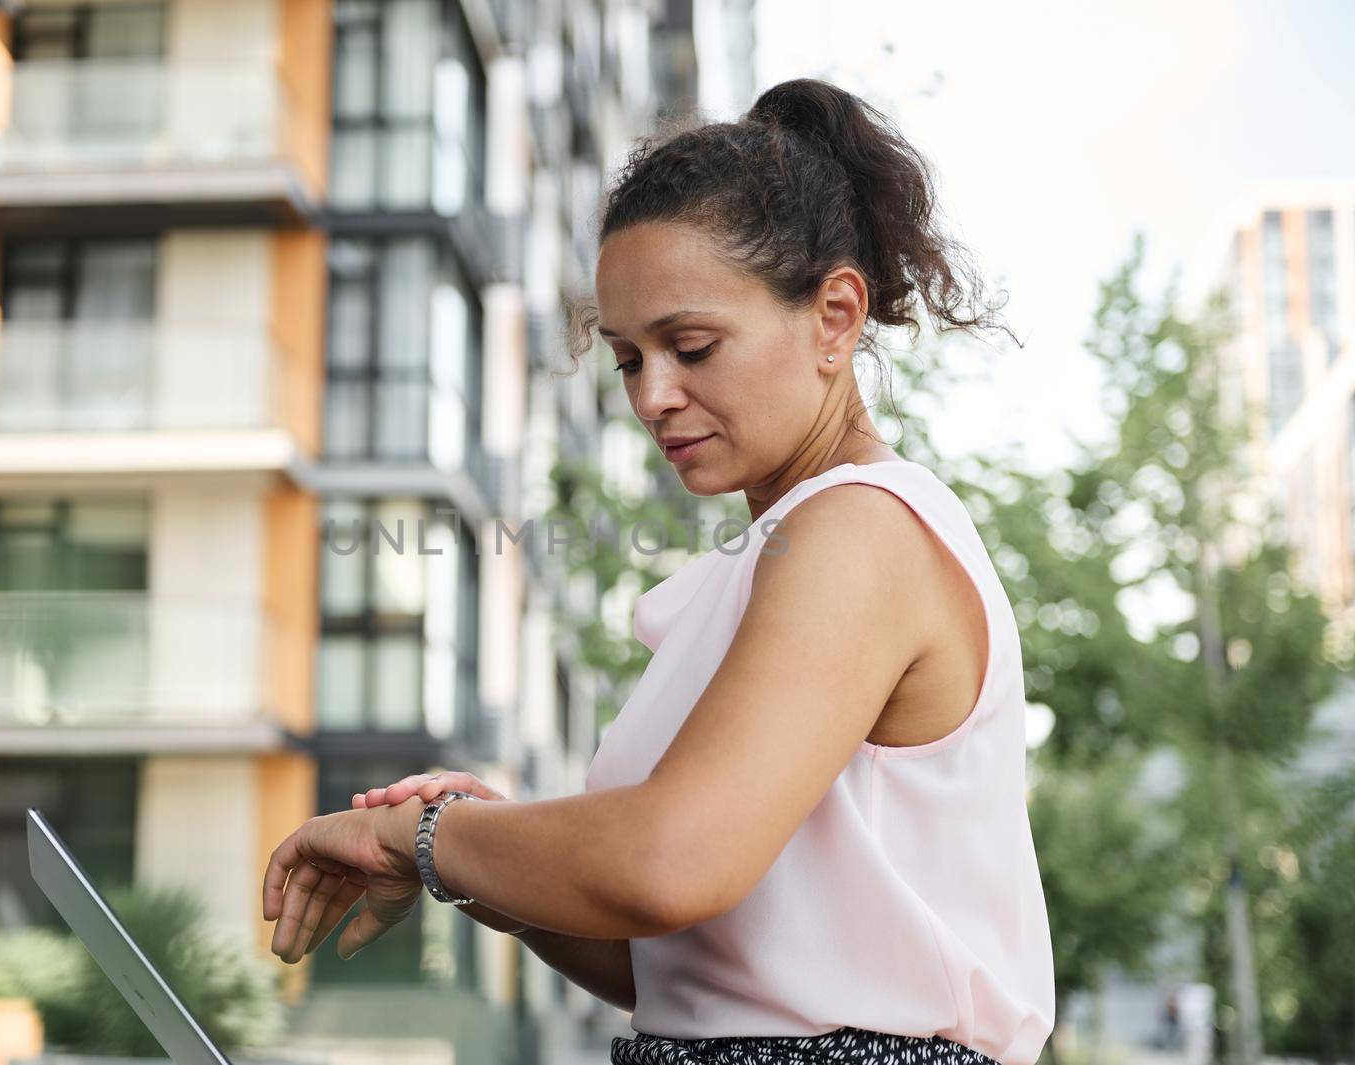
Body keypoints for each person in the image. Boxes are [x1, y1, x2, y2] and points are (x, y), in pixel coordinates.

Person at [262, 76, 1055, 1065]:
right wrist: (474, 855)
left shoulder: (860, 532)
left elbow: (667, 864)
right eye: (629, 360)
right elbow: (675, 962)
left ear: (835, 317)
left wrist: (417, 832)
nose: (653, 398)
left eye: (690, 346)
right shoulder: (775, 555)